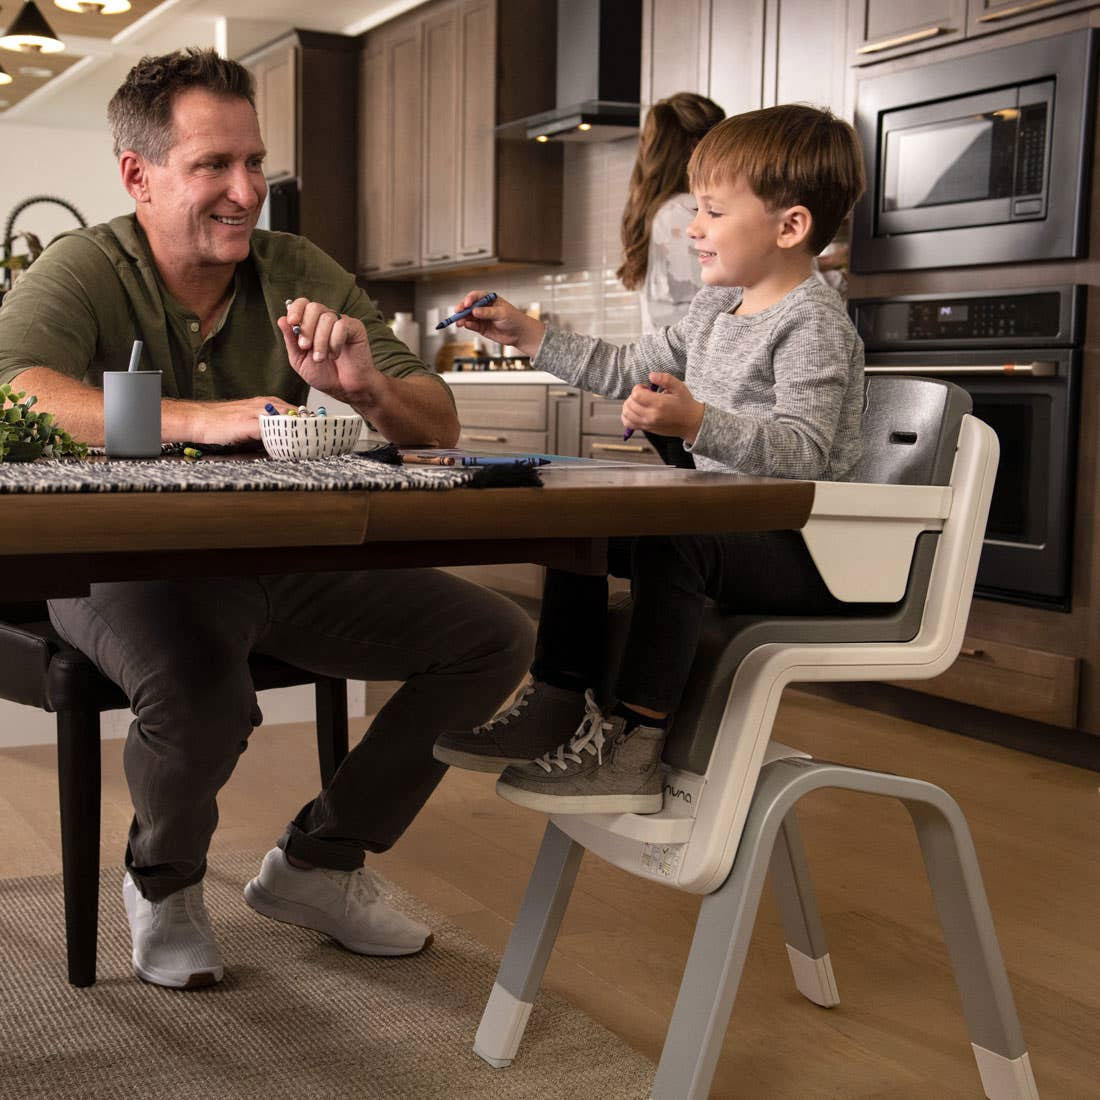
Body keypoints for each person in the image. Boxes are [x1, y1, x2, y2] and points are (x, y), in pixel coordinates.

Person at [0, 49, 533, 988]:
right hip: (115, 569)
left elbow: (436, 416)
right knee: (205, 694)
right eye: (213, 165)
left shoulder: (295, 266)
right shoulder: (83, 268)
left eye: (254, 163)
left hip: (282, 560)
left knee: (492, 638)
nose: (246, 190)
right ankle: (162, 882)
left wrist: (366, 387)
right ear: (139, 175)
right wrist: (203, 420)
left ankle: (320, 863)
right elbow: (11, 391)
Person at [433, 103, 866, 813]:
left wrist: (696, 421)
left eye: (714, 212)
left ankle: (634, 744)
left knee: (677, 538)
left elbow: (804, 453)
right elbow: (625, 365)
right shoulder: (714, 308)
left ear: (790, 227)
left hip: (806, 549)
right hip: (731, 531)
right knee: (580, 516)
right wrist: (527, 332)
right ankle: (558, 697)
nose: (693, 227)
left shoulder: (813, 322)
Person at [617, 92, 725, 469]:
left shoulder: (660, 210)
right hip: (685, 391)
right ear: (699, 146)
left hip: (663, 383)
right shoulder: (685, 211)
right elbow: (718, 302)